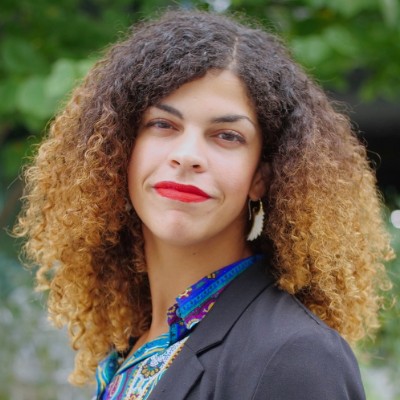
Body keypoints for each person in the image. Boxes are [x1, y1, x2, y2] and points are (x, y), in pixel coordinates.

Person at [14, 9, 393, 400]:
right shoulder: (136, 345)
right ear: (119, 150)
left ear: (261, 175)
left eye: (227, 135)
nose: (188, 156)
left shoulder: (296, 355)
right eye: (163, 125)